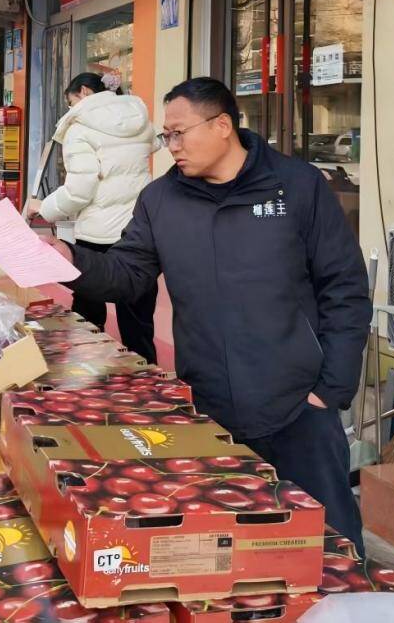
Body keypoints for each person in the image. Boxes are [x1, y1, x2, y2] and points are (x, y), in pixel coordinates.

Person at [46, 77, 370, 551]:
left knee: (330, 544)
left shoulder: (297, 186)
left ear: (222, 126)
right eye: (166, 136)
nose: (171, 146)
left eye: (179, 133)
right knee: (233, 547)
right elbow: (129, 274)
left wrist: (331, 390)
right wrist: (70, 260)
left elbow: (344, 287)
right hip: (211, 406)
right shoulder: (161, 200)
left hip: (299, 406)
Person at [28, 71, 158, 362]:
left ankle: (86, 371)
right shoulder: (137, 117)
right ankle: (147, 374)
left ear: (85, 92)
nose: (71, 108)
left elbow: (79, 191)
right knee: (138, 317)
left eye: (71, 101)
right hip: (139, 229)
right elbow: (151, 149)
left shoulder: (80, 128)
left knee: (87, 313)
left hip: (97, 233)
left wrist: (44, 208)